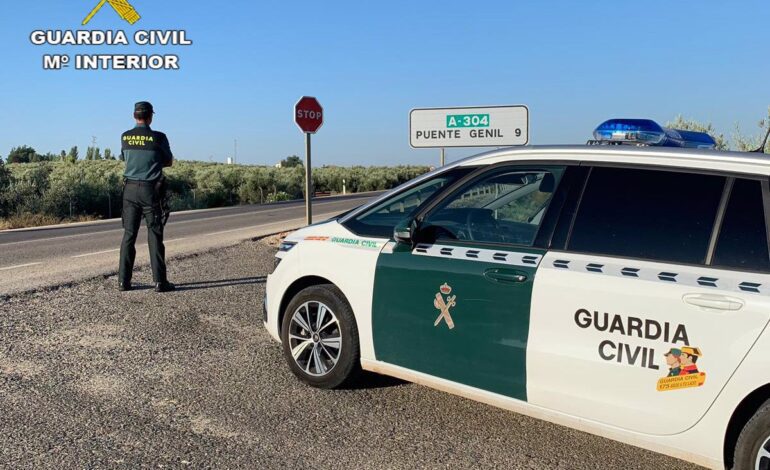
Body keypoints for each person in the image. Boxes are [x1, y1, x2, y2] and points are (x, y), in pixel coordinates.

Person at [118, 101, 175, 292]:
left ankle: (123, 282)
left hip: (129, 190)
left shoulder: (125, 137)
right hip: (150, 190)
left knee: (129, 235)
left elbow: (124, 158)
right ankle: (160, 281)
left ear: (135, 116)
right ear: (150, 117)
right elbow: (168, 161)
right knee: (155, 235)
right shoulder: (158, 137)